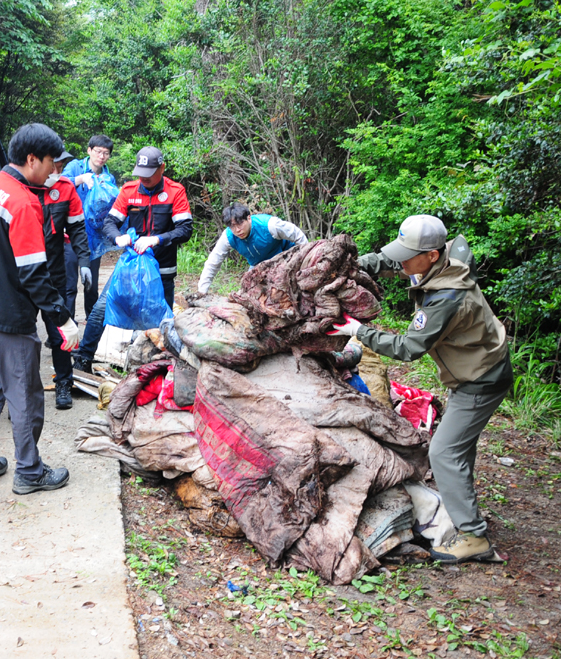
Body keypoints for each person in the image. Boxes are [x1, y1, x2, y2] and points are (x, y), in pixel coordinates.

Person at [328, 215, 512, 563]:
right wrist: (353, 267)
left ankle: (474, 538)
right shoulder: (435, 263)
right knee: (458, 451)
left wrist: (358, 331)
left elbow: (409, 348)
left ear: (431, 255)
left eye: (408, 254)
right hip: (476, 368)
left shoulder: (447, 297)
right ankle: (464, 511)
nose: (401, 261)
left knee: (443, 453)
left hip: (481, 378)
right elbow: (388, 262)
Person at [0, 123, 79, 495]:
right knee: (25, 393)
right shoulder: (23, 202)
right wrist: (62, 318)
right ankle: (29, 471)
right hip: (9, 313)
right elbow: (33, 274)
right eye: (51, 164)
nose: (55, 172)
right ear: (31, 160)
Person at [74, 146, 193, 370]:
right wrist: (117, 237)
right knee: (102, 308)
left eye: (149, 175)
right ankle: (83, 359)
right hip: (129, 268)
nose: (144, 179)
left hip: (161, 270)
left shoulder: (175, 192)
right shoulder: (130, 191)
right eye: (140, 174)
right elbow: (110, 222)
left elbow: (185, 230)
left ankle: (165, 366)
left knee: (162, 320)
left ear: (162, 168)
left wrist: (156, 239)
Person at [41, 150, 90, 410]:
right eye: (54, 163)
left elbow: (76, 228)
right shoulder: (19, 187)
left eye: (60, 164)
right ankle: (22, 394)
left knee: (59, 330)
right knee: (22, 338)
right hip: (23, 274)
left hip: (54, 271)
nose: (57, 169)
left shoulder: (65, 188)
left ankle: (63, 383)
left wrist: (84, 261)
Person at [197, 203, 309, 294]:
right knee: (245, 293)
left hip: (287, 256)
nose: (237, 230)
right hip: (259, 265)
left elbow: (297, 235)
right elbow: (213, 263)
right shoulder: (228, 237)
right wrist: (201, 292)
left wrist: (306, 262)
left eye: (240, 224)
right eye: (232, 226)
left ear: (249, 218)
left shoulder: (270, 225)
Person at [62, 134, 115, 318]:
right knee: (69, 284)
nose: (101, 156)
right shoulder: (75, 167)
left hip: (93, 238)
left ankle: (91, 322)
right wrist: (81, 179)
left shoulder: (108, 178)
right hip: (70, 234)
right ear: (89, 150)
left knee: (90, 283)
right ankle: (66, 325)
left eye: (106, 153)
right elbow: (58, 186)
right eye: (98, 151)